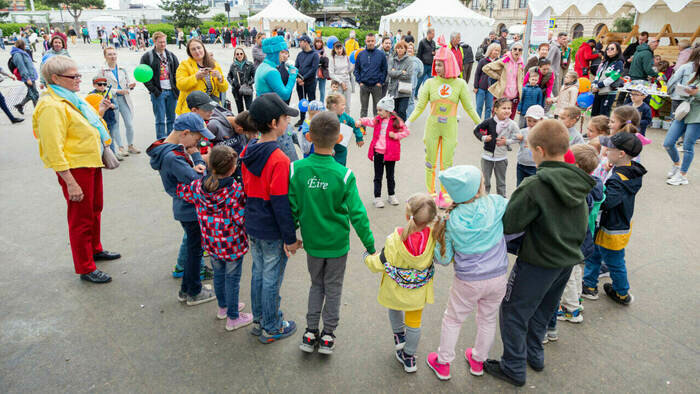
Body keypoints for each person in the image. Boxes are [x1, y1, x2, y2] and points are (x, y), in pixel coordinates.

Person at [483, 119, 595, 387]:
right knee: (543, 310)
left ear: (540, 151)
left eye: (532, 150)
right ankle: (535, 354)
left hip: (537, 261)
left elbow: (511, 223)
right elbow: (582, 222)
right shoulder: (579, 180)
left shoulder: (535, 185)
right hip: (566, 260)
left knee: (513, 311)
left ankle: (513, 366)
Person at [289, 111, 375, 355]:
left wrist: (289, 238)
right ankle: (328, 335)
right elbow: (358, 215)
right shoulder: (344, 174)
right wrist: (370, 246)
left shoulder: (296, 169)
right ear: (339, 138)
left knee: (316, 284)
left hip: (313, 244)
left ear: (308, 137)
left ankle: (310, 331)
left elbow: (292, 208)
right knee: (334, 287)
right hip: (337, 245)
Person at [34, 55, 121, 283]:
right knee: (80, 218)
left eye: (78, 75)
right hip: (75, 167)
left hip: (90, 162)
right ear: (55, 78)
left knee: (94, 209)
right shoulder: (51, 106)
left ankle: (94, 249)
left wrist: (99, 113)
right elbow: (53, 148)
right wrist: (69, 180)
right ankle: (85, 266)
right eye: (74, 76)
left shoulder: (70, 98)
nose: (79, 80)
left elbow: (84, 128)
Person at [426, 165, 509, 380]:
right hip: (498, 276)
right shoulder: (496, 203)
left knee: (453, 319)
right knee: (488, 319)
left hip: (468, 280)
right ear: (480, 186)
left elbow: (443, 259)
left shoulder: (450, 220)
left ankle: (443, 363)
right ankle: (478, 361)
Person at [240, 93, 301, 343]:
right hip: (271, 228)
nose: (288, 123)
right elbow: (280, 202)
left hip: (252, 222)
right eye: (285, 118)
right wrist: (290, 238)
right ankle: (272, 325)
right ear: (274, 123)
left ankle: (259, 320)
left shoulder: (248, 150)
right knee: (271, 277)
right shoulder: (279, 159)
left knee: (258, 272)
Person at [176, 145, 252, 330]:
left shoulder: (198, 186)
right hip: (232, 244)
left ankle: (223, 308)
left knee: (219, 275)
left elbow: (181, 191)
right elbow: (241, 218)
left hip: (211, 242)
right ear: (233, 169)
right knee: (232, 280)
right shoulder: (234, 190)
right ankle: (233, 318)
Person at [147, 112, 217, 304]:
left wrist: (193, 161)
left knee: (193, 250)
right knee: (195, 251)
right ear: (185, 133)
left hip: (183, 208)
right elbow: (198, 183)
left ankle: (187, 289)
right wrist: (198, 158)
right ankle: (194, 291)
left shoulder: (169, 149)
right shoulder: (174, 157)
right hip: (190, 210)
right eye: (197, 137)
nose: (199, 141)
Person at [364, 194, 438, 373]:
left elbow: (380, 263)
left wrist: (367, 258)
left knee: (394, 307)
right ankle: (409, 357)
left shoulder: (394, 239)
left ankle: (398, 336)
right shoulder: (433, 238)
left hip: (395, 290)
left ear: (407, 216)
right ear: (430, 220)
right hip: (417, 293)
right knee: (414, 323)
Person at [407, 35, 480, 207]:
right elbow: (419, 107)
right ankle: (431, 193)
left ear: (449, 64)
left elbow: (469, 108)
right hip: (432, 128)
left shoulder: (460, 84)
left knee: (447, 163)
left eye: (440, 64)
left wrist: (480, 123)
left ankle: (445, 193)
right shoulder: (430, 83)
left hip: (450, 128)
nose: (436, 67)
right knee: (430, 162)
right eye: (436, 63)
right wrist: (408, 121)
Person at [582, 132, 645, 305]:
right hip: (616, 224)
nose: (605, 151)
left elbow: (608, 201)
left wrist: (596, 186)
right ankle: (589, 285)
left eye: (609, 149)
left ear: (621, 154)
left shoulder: (618, 179)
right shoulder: (631, 170)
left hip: (611, 228)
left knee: (615, 261)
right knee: (594, 255)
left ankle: (622, 293)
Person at [548, 144, 604, 327]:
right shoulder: (593, 184)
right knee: (577, 270)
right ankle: (577, 302)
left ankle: (571, 310)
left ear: (577, 167)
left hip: (574, 240)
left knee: (569, 275)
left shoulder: (579, 190)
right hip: (585, 238)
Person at [359, 96, 410, 207]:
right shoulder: (378, 119)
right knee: (378, 176)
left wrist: (396, 135)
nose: (378, 112)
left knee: (390, 176)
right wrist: (360, 121)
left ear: (388, 110)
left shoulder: (397, 121)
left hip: (391, 154)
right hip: (378, 152)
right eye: (378, 110)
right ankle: (377, 198)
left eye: (380, 110)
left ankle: (391, 195)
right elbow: (369, 121)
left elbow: (406, 131)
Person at [473, 98, 519, 197]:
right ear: (495, 110)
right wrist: (483, 137)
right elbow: (476, 130)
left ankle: (502, 200)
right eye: (504, 108)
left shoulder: (512, 124)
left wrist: (507, 141)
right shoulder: (489, 122)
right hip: (487, 157)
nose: (507, 111)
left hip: (501, 158)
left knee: (501, 182)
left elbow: (518, 137)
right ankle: (484, 199)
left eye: (509, 108)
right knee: (485, 181)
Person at [97, 47, 138, 157]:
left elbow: (127, 83)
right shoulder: (102, 70)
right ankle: (120, 147)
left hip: (124, 99)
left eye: (114, 54)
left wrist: (130, 86)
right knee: (115, 125)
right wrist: (117, 91)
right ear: (105, 56)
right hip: (112, 100)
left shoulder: (122, 69)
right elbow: (101, 87)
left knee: (129, 123)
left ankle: (130, 145)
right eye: (110, 54)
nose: (113, 56)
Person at [140, 31, 179, 139]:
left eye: (164, 42)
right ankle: (161, 142)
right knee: (160, 120)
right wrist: (154, 90)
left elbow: (178, 73)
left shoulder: (171, 55)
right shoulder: (147, 57)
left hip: (172, 92)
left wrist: (176, 89)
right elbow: (143, 76)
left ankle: (171, 141)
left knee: (172, 119)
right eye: (160, 42)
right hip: (158, 92)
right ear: (154, 42)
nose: (163, 44)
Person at [175, 38, 228, 115]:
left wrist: (220, 78)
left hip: (212, 108)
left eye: (199, 48)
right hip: (193, 110)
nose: (197, 51)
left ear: (203, 48)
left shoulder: (214, 64)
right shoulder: (184, 65)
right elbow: (180, 85)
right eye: (193, 49)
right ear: (189, 52)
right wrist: (195, 77)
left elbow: (223, 88)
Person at [664, 72, 700, 186]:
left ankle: (682, 175)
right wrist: (685, 91)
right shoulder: (694, 75)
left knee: (688, 146)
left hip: (697, 116)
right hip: (684, 112)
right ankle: (677, 164)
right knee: (668, 143)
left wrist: (696, 93)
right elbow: (684, 94)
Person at [482, 42, 525, 120]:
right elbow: (486, 68)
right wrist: (498, 77)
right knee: (497, 119)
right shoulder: (506, 59)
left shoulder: (521, 63)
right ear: (511, 50)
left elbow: (521, 79)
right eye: (515, 49)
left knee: (510, 121)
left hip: (514, 97)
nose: (517, 51)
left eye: (520, 50)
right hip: (502, 95)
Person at [355, 33, 388, 118]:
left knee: (378, 110)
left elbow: (384, 70)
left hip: (376, 86)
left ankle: (377, 129)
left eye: (372, 41)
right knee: (363, 109)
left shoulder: (381, 54)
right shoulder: (360, 54)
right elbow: (356, 70)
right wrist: (360, 82)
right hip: (364, 86)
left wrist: (380, 82)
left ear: (375, 41)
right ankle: (362, 130)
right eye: (368, 41)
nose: (370, 43)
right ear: (365, 41)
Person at [326, 93, 364, 166]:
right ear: (335, 106)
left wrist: (359, 137)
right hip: (329, 152)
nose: (344, 107)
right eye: (342, 105)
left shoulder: (344, 116)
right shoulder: (326, 118)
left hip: (342, 151)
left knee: (341, 171)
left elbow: (354, 124)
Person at [591, 42, 624, 117]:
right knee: (594, 114)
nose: (609, 50)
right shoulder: (605, 62)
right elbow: (598, 74)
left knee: (603, 116)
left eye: (612, 49)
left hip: (608, 92)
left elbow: (612, 78)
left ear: (617, 51)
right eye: (608, 48)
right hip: (598, 91)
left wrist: (598, 86)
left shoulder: (619, 63)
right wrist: (594, 84)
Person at [515, 105, 545, 185]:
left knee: (533, 187)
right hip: (521, 164)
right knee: (520, 186)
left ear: (541, 120)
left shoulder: (543, 134)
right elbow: (512, 139)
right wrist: (517, 137)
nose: (531, 123)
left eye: (535, 121)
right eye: (529, 120)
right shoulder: (523, 131)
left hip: (534, 166)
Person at [294, 34, 319, 126]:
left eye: (300, 42)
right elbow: (296, 67)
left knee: (312, 101)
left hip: (310, 82)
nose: (299, 44)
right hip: (300, 83)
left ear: (306, 42)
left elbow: (313, 70)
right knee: (302, 101)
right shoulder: (300, 54)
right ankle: (302, 119)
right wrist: (298, 78)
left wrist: (303, 78)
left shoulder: (314, 55)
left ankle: (313, 120)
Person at [667, 47, 700, 115]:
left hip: (680, 97)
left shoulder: (685, 66)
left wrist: (669, 92)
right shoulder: (687, 66)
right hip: (694, 99)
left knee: (676, 119)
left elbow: (673, 80)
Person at [386, 41, 413, 121]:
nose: (399, 50)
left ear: (405, 49)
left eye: (401, 48)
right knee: (394, 111)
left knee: (402, 111)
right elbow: (390, 73)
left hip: (404, 90)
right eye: (398, 48)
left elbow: (408, 75)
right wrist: (402, 71)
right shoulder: (392, 60)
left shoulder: (409, 60)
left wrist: (396, 71)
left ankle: (402, 128)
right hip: (393, 90)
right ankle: (394, 128)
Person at [11, 40, 38, 115]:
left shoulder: (22, 52)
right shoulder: (17, 54)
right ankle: (38, 113)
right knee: (35, 94)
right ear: (22, 45)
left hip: (30, 76)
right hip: (28, 77)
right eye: (24, 45)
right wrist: (27, 78)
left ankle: (20, 105)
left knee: (31, 93)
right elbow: (21, 67)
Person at [474, 43, 501, 119]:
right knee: (479, 107)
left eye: (498, 51)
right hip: (481, 88)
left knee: (489, 108)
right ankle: (478, 122)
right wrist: (476, 87)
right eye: (495, 50)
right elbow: (477, 74)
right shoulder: (483, 61)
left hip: (491, 89)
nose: (496, 52)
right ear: (490, 50)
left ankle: (486, 123)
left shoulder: (498, 62)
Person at [227, 47, 255, 113]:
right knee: (240, 110)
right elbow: (229, 76)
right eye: (237, 54)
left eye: (241, 53)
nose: (239, 55)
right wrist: (232, 83)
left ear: (244, 54)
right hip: (237, 90)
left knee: (249, 109)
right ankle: (241, 122)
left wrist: (248, 83)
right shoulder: (233, 65)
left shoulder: (250, 64)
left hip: (247, 89)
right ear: (235, 55)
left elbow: (255, 76)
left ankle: (249, 122)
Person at [328, 41, 353, 112]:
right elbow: (331, 74)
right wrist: (341, 82)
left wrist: (353, 65)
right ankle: (337, 122)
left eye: (340, 48)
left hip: (347, 82)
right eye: (337, 49)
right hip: (337, 83)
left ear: (343, 48)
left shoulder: (347, 57)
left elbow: (349, 70)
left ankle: (347, 121)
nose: (339, 50)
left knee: (347, 105)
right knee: (338, 105)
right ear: (334, 49)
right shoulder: (332, 59)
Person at [415, 28, 436, 95]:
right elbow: (419, 54)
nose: (434, 35)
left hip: (431, 65)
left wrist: (434, 53)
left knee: (431, 81)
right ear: (429, 34)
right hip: (423, 64)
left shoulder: (433, 43)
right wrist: (419, 65)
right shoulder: (422, 42)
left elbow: (433, 51)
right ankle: (415, 93)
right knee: (419, 80)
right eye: (433, 33)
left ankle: (428, 95)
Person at [406, 43, 423, 117]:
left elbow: (420, 73)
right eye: (408, 48)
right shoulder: (402, 59)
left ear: (413, 50)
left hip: (412, 85)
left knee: (410, 102)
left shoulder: (417, 61)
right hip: (402, 84)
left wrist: (414, 77)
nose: (409, 49)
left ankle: (408, 118)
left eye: (411, 48)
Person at [313, 37, 330, 104]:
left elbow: (326, 64)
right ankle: (313, 104)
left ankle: (322, 104)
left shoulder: (324, 51)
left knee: (322, 90)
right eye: (317, 42)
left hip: (322, 73)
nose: (319, 44)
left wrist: (324, 58)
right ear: (315, 43)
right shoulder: (312, 51)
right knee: (312, 90)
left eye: (320, 42)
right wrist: (317, 57)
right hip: (314, 72)